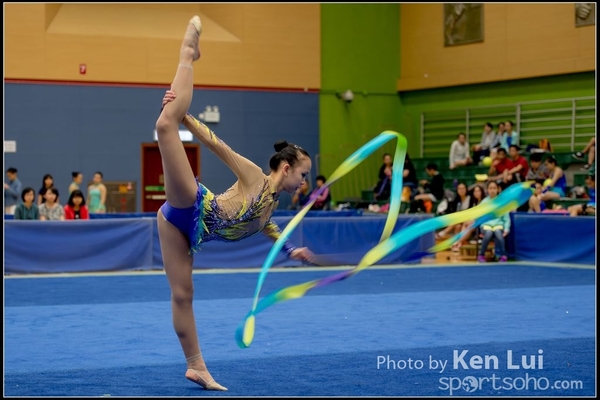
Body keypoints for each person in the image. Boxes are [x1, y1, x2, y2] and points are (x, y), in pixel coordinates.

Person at [155, 16, 314, 392]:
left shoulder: (271, 206)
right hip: (193, 205)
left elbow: (269, 227)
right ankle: (188, 54)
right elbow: (218, 146)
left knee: (183, 295)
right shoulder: (255, 176)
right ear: (287, 168)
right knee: (165, 124)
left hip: (180, 229)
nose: (305, 182)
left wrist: (291, 250)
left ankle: (196, 367)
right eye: (303, 174)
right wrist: (185, 117)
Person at [477, 181, 510, 263]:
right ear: (487, 190)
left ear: (498, 189)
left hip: (498, 225)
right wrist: (479, 228)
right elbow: (479, 216)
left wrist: (506, 229)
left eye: (494, 188)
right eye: (490, 188)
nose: (492, 190)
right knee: (488, 232)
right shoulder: (484, 202)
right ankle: (481, 255)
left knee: (498, 233)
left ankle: (503, 255)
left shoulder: (502, 202)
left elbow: (506, 218)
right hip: (486, 225)